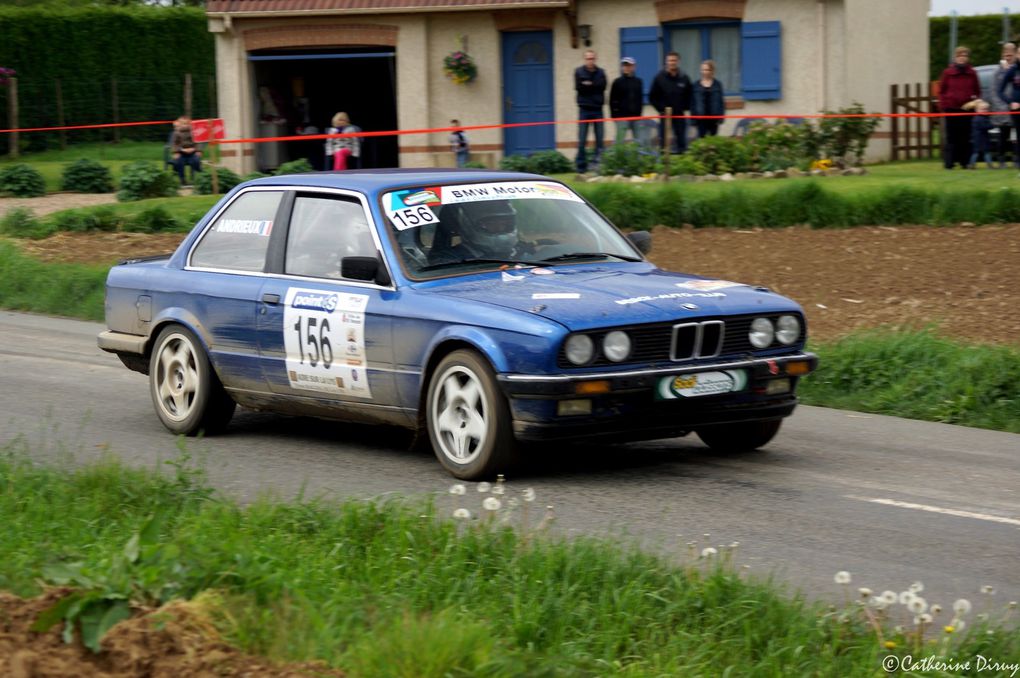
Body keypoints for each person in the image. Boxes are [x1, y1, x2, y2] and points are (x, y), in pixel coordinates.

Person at [938, 46, 981, 170]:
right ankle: (949, 163)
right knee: (952, 137)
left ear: (968, 58)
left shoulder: (972, 73)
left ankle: (965, 162)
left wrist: (974, 102)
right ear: (955, 58)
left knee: (966, 136)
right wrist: (945, 105)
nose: (962, 58)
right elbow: (941, 91)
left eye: (965, 56)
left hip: (967, 110)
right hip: (951, 109)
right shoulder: (947, 73)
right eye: (960, 56)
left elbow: (977, 91)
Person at [649, 52, 693, 154]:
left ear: (678, 62)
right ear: (666, 62)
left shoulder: (684, 77)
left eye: (674, 60)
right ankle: (664, 163)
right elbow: (652, 97)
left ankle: (682, 160)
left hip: (679, 115)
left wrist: (684, 107)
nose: (672, 62)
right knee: (664, 141)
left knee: (681, 140)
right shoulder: (659, 78)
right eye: (670, 60)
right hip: (665, 115)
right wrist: (661, 109)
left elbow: (690, 95)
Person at [574, 49, 607, 173]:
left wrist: (588, 84)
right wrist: (593, 86)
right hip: (584, 109)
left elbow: (602, 86)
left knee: (599, 140)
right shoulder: (578, 71)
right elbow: (579, 88)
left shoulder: (601, 72)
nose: (590, 60)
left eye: (592, 58)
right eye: (588, 58)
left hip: (598, 109)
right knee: (582, 140)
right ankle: (581, 167)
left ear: (595, 59)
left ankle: (598, 166)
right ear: (585, 59)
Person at [990, 43, 1016, 167]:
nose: (1008, 57)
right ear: (1002, 55)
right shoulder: (997, 72)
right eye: (1006, 55)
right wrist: (1003, 107)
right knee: (1003, 137)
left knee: (1016, 137)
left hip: (1017, 109)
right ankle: (1001, 160)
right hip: (1003, 110)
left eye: (1010, 55)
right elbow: (994, 92)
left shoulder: (1017, 70)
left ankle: (1017, 160)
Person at [609, 56, 644, 144]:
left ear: (633, 67)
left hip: (636, 117)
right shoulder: (617, 82)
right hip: (621, 117)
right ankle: (618, 158)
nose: (626, 68)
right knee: (619, 141)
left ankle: (638, 157)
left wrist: (639, 113)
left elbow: (640, 99)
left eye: (629, 65)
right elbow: (612, 100)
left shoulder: (639, 81)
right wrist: (615, 116)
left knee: (638, 141)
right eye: (624, 65)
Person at [997, 43, 1020, 171]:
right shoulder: (1013, 70)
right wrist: (1010, 102)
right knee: (1014, 135)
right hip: (1015, 110)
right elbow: (999, 90)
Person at [691, 59, 725, 138]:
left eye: (707, 70)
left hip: (714, 118)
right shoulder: (695, 85)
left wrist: (721, 117)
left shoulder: (718, 84)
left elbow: (721, 102)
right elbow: (692, 103)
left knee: (713, 141)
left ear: (712, 71)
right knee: (701, 140)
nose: (705, 72)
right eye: (703, 70)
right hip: (700, 118)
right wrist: (693, 119)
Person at [170, 116, 201, 185]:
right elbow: (174, 143)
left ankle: (194, 178)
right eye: (183, 124)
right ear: (179, 124)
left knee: (195, 161)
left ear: (190, 124)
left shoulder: (193, 132)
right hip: (181, 152)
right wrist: (176, 152)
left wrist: (197, 150)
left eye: (186, 124)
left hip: (192, 151)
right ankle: (182, 179)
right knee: (179, 162)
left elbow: (197, 142)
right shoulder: (176, 133)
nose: (185, 125)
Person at [968, 100, 994, 168]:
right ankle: (972, 165)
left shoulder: (983, 117)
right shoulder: (978, 118)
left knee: (986, 152)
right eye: (983, 109)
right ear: (977, 110)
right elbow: (984, 126)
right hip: (978, 138)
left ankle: (989, 165)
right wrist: (992, 125)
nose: (985, 111)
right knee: (976, 152)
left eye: (986, 109)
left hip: (983, 138)